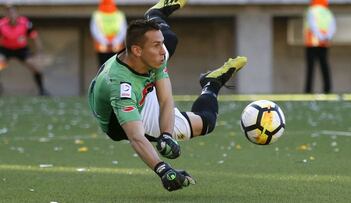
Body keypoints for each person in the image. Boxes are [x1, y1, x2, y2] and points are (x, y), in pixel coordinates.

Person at [88, 0, 247, 192]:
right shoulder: (122, 88)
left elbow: (165, 99)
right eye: (156, 45)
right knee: (206, 122)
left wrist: (166, 134)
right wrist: (163, 169)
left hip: (142, 88)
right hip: (123, 117)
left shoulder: (151, 58)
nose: (162, 51)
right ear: (137, 50)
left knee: (170, 39)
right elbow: (136, 137)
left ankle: (154, 14)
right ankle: (212, 84)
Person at [0, 4, 48, 96]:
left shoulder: (25, 23)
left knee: (35, 67)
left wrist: (39, 52)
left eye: (13, 12)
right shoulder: (1, 24)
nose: (11, 14)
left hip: (21, 50)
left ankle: (42, 90)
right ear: (6, 14)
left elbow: (35, 37)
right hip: (5, 49)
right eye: (8, 12)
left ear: (17, 13)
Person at [303, 0, 336, 93]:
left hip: (312, 44)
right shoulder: (328, 12)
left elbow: (312, 25)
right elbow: (332, 27)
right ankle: (327, 89)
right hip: (324, 44)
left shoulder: (311, 10)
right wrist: (326, 37)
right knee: (324, 66)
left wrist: (320, 37)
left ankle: (308, 90)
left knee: (310, 68)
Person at [90, 0, 127, 68]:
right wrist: (107, 41)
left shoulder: (119, 15)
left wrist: (113, 41)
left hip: (115, 45)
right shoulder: (97, 15)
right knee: (103, 65)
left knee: (116, 65)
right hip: (103, 45)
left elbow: (123, 30)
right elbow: (95, 30)